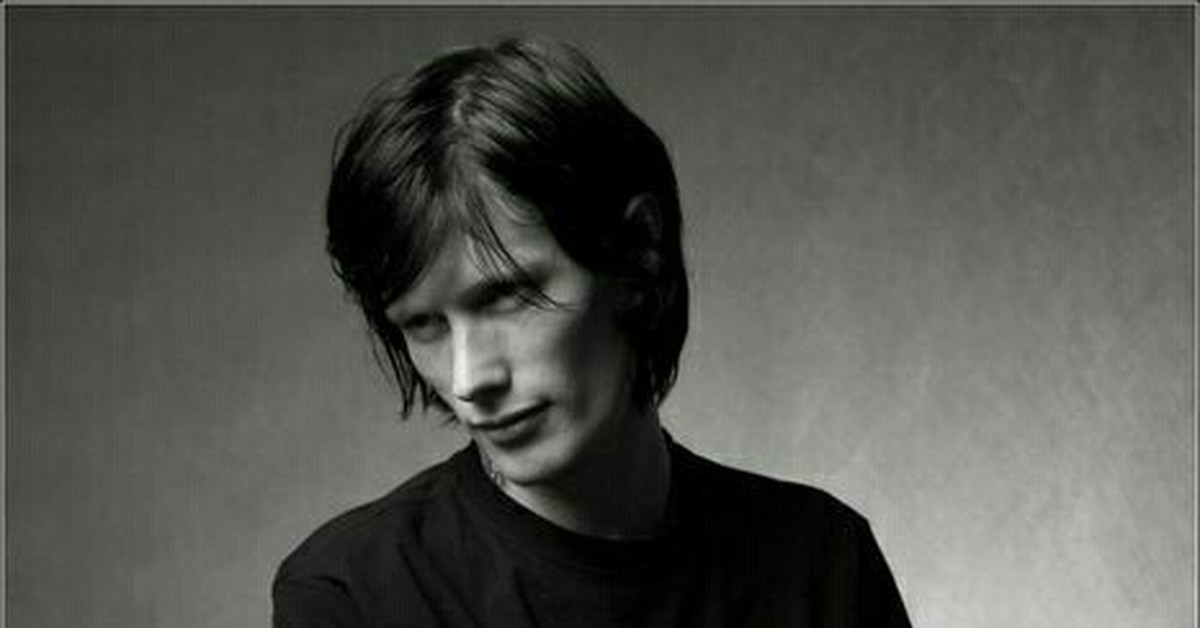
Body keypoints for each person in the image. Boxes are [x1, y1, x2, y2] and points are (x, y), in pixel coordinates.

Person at [273, 36, 912, 628]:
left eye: (507, 297)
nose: (469, 379)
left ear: (637, 255)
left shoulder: (823, 563)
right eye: (423, 323)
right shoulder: (351, 595)